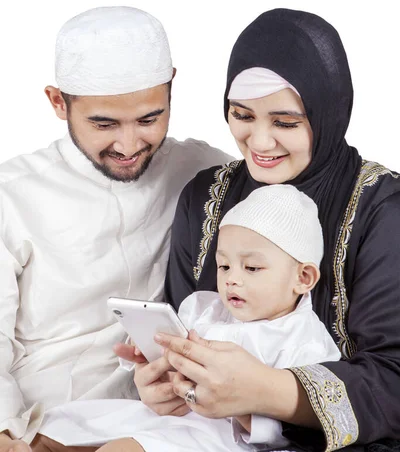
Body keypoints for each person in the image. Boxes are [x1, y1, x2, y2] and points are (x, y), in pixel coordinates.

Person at [120, 8, 400, 452]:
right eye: (242, 115)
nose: (261, 142)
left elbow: (394, 382)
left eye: (286, 122)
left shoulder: (381, 209)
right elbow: (182, 327)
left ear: (329, 112)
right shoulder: (206, 197)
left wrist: (265, 392)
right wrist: (164, 383)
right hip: (201, 432)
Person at [0, 6, 231, 452]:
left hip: (168, 425)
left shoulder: (207, 172)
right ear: (57, 102)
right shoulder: (11, 196)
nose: (128, 146)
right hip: (40, 422)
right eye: (104, 124)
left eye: (149, 119)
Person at [38, 184, 340, 452]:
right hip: (170, 416)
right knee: (56, 429)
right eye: (224, 267)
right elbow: (169, 361)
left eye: (252, 269)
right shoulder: (203, 307)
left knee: (121, 448)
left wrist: (239, 404)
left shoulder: (308, 342)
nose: (232, 280)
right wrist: (150, 352)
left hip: (218, 436)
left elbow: (297, 431)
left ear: (303, 277)